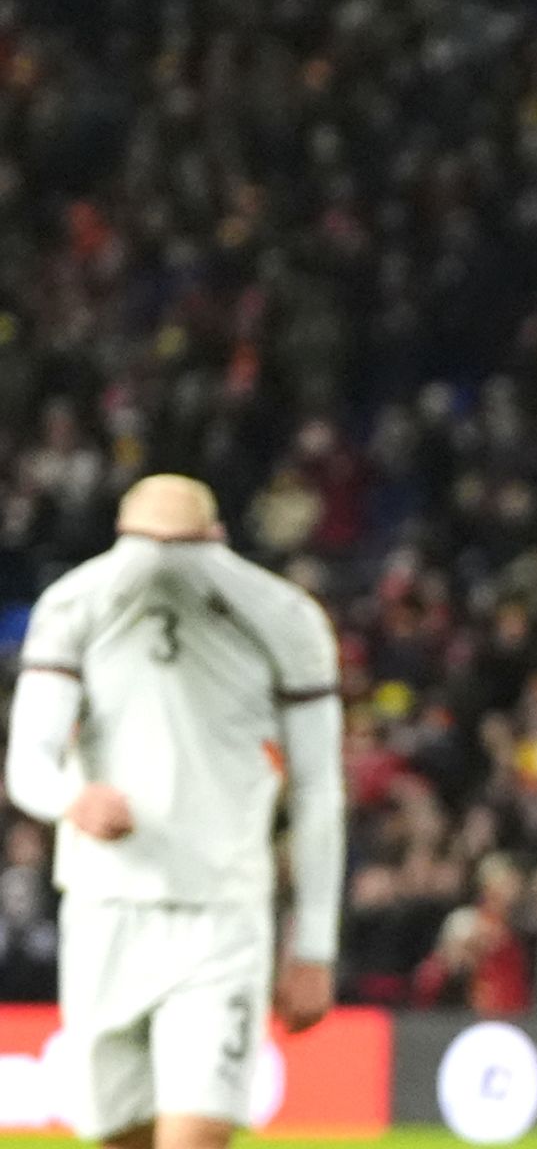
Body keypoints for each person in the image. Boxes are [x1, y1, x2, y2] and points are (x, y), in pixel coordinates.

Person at [3, 475, 344, 1149]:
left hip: (222, 916)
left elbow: (318, 788)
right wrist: (75, 800)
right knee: (118, 1138)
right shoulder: (74, 607)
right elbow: (28, 764)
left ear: (215, 538)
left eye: (181, 547)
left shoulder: (286, 619)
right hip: (104, 910)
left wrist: (314, 946)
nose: (163, 565)